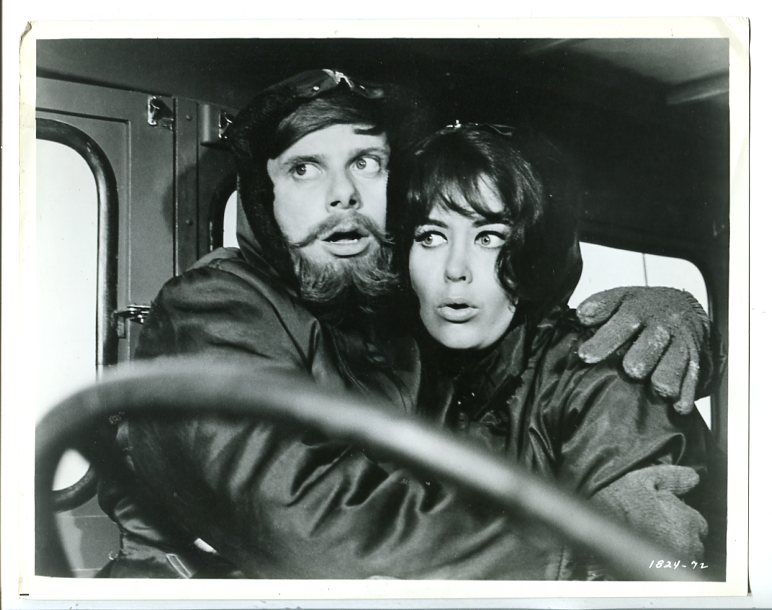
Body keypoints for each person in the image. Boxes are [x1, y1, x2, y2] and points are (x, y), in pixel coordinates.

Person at [94, 69, 721, 579]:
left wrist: (668, 313)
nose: (341, 195)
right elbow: (309, 525)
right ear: (265, 196)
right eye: (304, 168)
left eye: (366, 163)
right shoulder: (217, 303)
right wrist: (580, 560)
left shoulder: (397, 313)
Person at [388, 122, 726, 578]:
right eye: (431, 236)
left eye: (489, 237)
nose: (454, 269)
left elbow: (652, 576)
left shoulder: (607, 378)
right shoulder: (409, 378)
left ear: (534, 252)